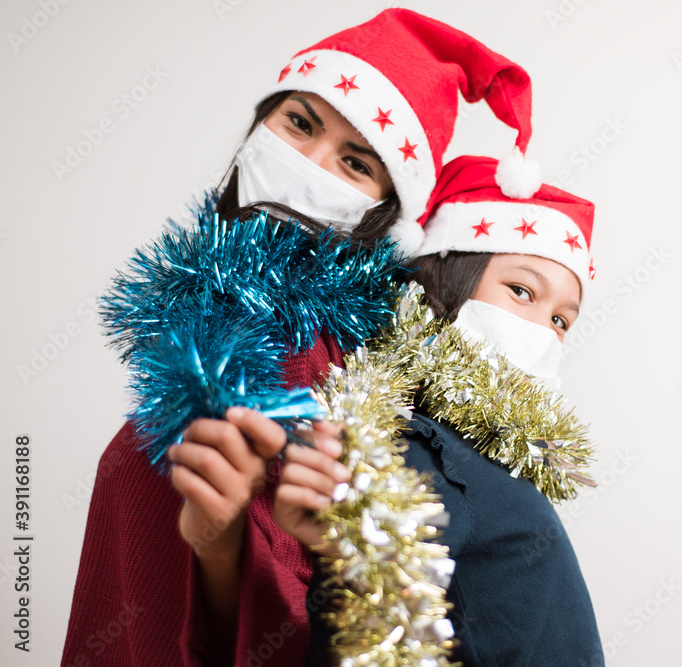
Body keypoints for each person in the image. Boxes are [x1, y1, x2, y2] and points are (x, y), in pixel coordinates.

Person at [62, 10, 541, 666]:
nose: (308, 166)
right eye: (300, 123)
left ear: (380, 215)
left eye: (354, 162)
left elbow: (291, 631)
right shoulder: (218, 324)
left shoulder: (316, 367)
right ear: (258, 124)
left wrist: (221, 547)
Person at [275, 155, 604, 666]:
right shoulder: (419, 450)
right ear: (448, 279)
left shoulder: (483, 457)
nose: (542, 330)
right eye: (522, 291)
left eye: (562, 319)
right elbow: (377, 622)